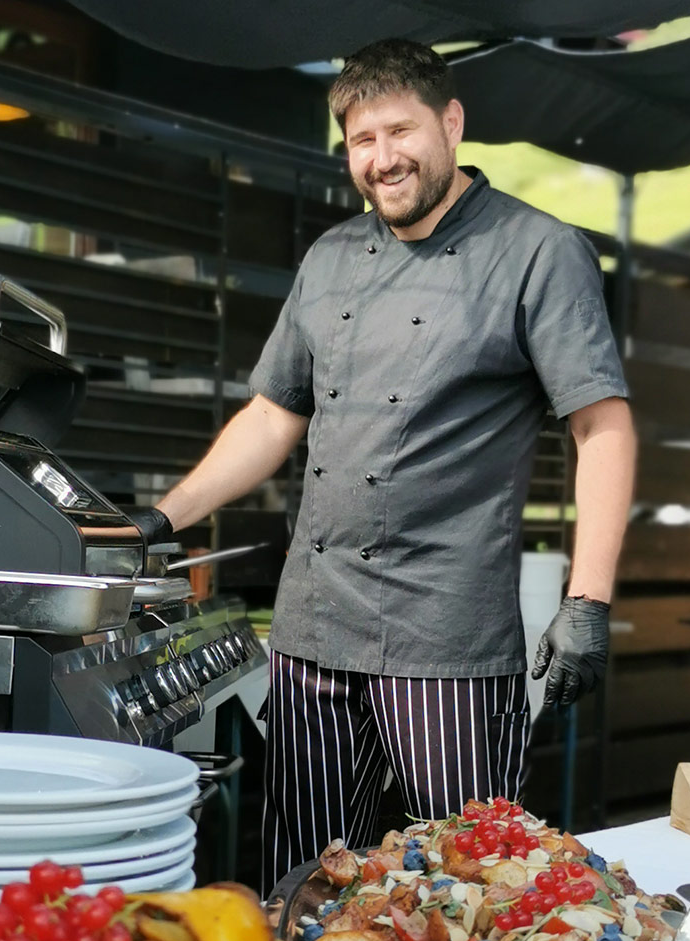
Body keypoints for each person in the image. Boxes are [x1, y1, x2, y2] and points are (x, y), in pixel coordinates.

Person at [120, 39, 637, 891]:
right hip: (313, 628)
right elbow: (272, 415)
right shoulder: (328, 259)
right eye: (363, 140)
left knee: (473, 886)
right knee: (304, 878)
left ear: (452, 123)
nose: (384, 159)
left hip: (447, 638)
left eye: (401, 131)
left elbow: (602, 428)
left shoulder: (539, 251)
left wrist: (588, 602)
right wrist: (161, 520)